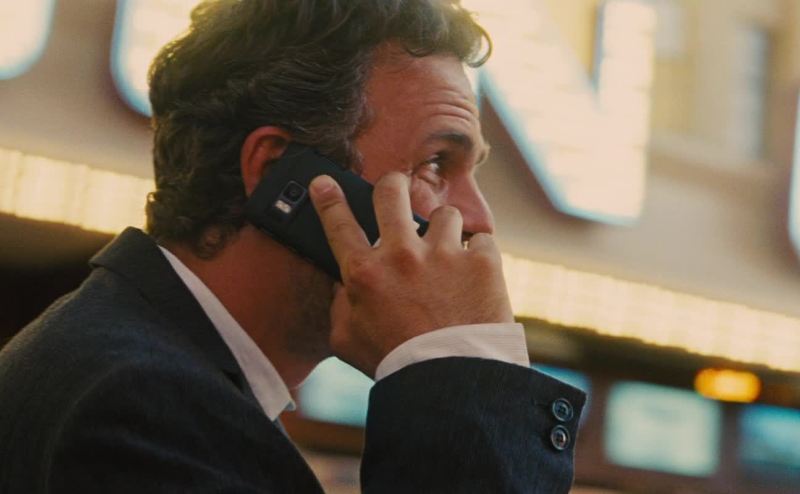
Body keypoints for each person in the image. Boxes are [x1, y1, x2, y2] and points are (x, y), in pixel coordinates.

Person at [0, 1, 586, 492]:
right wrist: (461, 371)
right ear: (283, 177)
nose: (477, 219)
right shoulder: (143, 401)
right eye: (437, 163)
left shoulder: (153, 371)